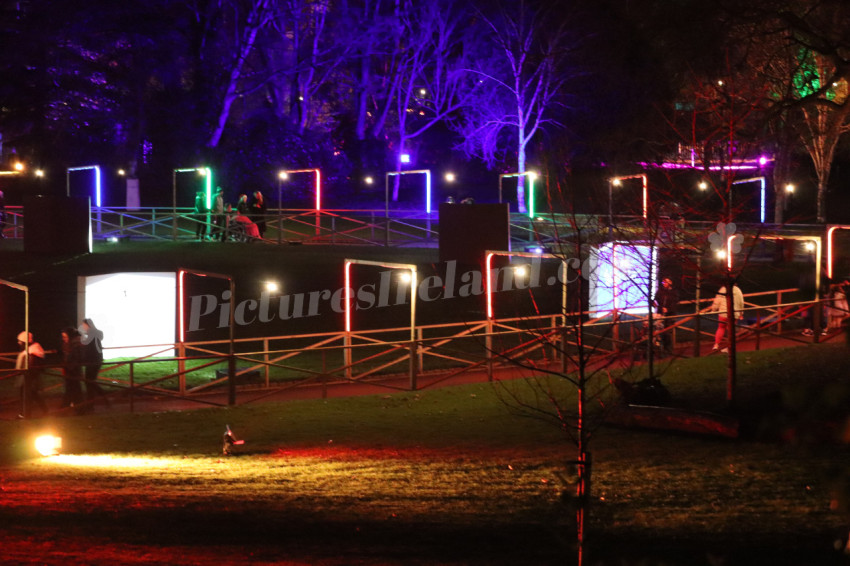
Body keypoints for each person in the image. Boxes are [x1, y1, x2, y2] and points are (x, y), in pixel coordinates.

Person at [15, 331, 47, 418]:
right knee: (31, 395)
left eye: (20, 341)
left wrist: (26, 372)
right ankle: (42, 411)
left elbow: (31, 366)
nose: (18, 343)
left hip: (30, 378)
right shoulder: (28, 351)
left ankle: (26, 414)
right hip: (27, 378)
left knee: (27, 396)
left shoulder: (33, 352)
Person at [79, 318, 108, 405]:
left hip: (92, 361)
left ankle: (93, 401)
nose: (83, 327)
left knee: (89, 382)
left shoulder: (91, 335)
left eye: (84, 325)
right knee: (90, 381)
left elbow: (89, 349)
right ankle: (98, 399)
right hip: (96, 360)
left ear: (88, 325)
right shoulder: (95, 334)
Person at [711, 284, 744, 352]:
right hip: (734, 313)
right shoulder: (738, 290)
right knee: (731, 330)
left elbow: (717, 301)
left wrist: (713, 309)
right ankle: (730, 347)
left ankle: (716, 345)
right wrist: (741, 313)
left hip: (723, 313)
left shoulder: (723, 289)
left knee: (721, 328)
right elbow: (741, 302)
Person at [60, 327, 85, 411]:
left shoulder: (76, 345)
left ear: (70, 336)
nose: (64, 339)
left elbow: (77, 358)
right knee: (71, 389)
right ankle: (70, 406)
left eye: (65, 337)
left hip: (74, 371)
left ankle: (77, 408)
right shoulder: (67, 344)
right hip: (69, 370)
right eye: (63, 337)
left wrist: (70, 366)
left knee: (75, 389)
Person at [653, 277, 679, 354]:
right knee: (659, 331)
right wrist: (658, 306)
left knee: (668, 332)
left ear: (670, 282)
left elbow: (675, 303)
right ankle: (660, 348)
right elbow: (656, 300)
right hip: (661, 314)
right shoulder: (660, 291)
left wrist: (668, 309)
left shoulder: (674, 292)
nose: (664, 284)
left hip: (670, 315)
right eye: (663, 282)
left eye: (666, 282)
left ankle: (668, 350)